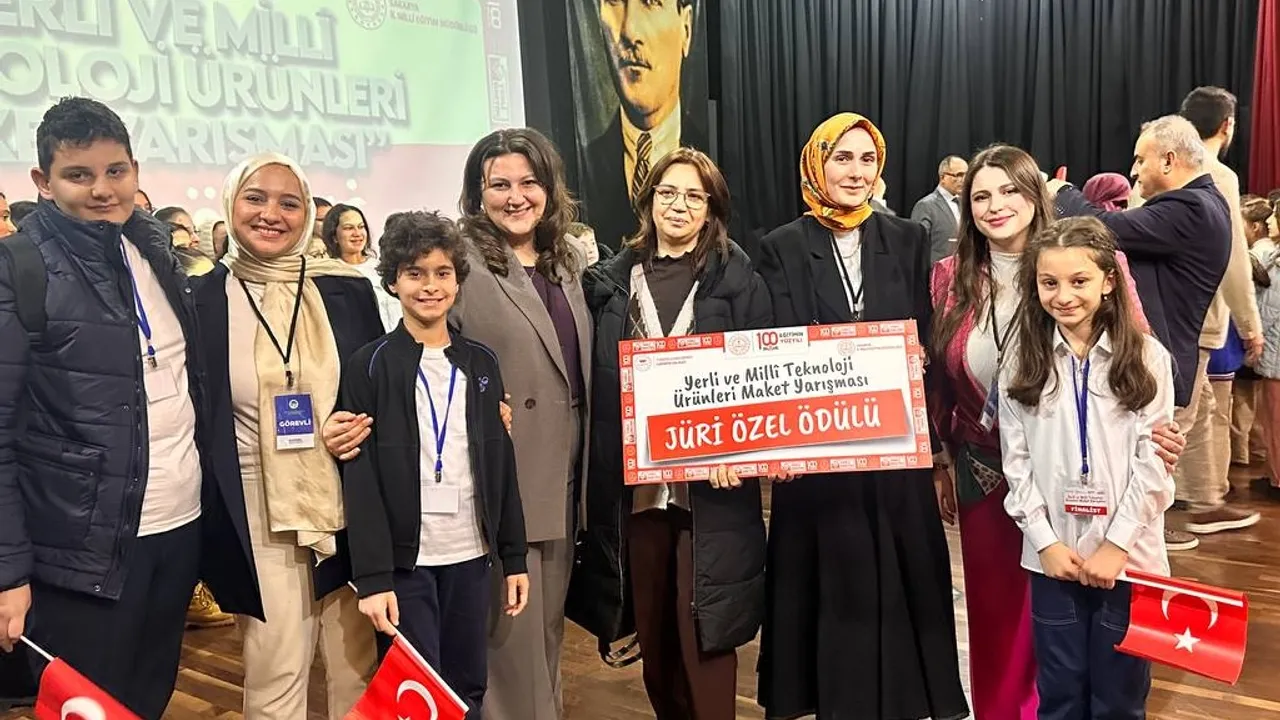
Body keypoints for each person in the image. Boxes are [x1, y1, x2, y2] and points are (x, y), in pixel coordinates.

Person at [928, 143, 1182, 720]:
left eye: (1010, 190)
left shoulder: (1086, 256)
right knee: (1001, 622)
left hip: (1092, 479)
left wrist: (1163, 434)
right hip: (990, 469)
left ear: (1035, 193)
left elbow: (1136, 362)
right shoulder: (948, 275)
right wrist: (941, 458)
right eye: (980, 196)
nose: (996, 205)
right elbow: (940, 374)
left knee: (1083, 634)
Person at [755, 112, 969, 720]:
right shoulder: (779, 246)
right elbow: (773, 347)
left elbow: (925, 332)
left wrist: (920, 365)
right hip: (817, 455)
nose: (855, 172)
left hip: (895, 447)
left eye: (867, 159)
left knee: (904, 571)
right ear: (816, 165)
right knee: (829, 576)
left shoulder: (906, 238)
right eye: (842, 158)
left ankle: (903, 699)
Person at [0, 97, 207, 719]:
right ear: (43, 181)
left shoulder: (154, 251)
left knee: (148, 700)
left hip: (178, 528)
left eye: (115, 171)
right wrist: (8, 572)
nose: (101, 189)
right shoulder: (20, 267)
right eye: (78, 175)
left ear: (135, 170)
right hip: (80, 553)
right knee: (88, 708)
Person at [573, 147, 770, 720]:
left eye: (693, 196)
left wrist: (742, 450)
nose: (678, 205)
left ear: (712, 208)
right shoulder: (611, 282)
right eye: (667, 193)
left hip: (711, 491)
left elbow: (762, 380)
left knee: (705, 633)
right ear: (649, 201)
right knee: (656, 635)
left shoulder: (738, 279)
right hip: (634, 489)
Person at [190, 152, 381, 719]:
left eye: (289, 202)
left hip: (346, 496)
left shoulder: (347, 291)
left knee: (357, 665)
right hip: (257, 506)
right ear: (231, 205)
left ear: (308, 215)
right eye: (255, 198)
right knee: (276, 667)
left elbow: (377, 389)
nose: (271, 213)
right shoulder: (200, 300)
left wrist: (356, 424)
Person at [341, 210, 530, 720]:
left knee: (467, 686)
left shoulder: (481, 363)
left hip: (470, 554)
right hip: (407, 564)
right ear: (393, 281)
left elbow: (500, 466)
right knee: (413, 691)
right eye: (415, 273)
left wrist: (513, 556)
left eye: (442, 272)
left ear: (457, 279)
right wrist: (373, 577)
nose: (430, 286)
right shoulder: (369, 365)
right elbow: (360, 478)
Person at [1000, 216, 1174, 719]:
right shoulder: (1021, 359)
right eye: (1049, 283)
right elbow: (1016, 463)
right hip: (1054, 559)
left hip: (1129, 559)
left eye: (1079, 281)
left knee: (1120, 696)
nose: (1063, 296)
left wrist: (1117, 544)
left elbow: (1154, 462)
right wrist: (1045, 542)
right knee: (1059, 693)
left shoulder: (1146, 358)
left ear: (1109, 282)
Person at [1051, 115, 1239, 551]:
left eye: (1140, 160)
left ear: (1169, 160)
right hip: (1165, 356)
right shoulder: (1202, 202)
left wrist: (1060, 192)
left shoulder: (1189, 208)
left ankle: (1127, 555)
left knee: (1142, 471)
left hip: (1158, 362)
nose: (1134, 171)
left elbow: (1103, 227)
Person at [452, 128, 591, 720]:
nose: (516, 197)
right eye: (499, 184)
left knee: (547, 636)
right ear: (477, 193)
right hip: (504, 475)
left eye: (529, 182)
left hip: (565, 473)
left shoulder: (567, 262)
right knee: (510, 646)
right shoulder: (459, 263)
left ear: (549, 187)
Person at [583, 0, 709, 250]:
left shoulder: (718, 161)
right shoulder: (578, 168)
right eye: (614, 2)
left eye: (651, 3)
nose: (630, 31)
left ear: (685, 28)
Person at [323, 202, 402, 330]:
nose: (357, 233)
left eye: (361, 227)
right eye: (349, 228)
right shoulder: (330, 273)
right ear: (334, 236)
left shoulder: (382, 267)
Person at [911, 154, 968, 263]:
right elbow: (916, 246)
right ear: (943, 177)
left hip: (964, 268)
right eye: (959, 175)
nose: (964, 180)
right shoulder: (926, 206)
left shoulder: (965, 204)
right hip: (936, 270)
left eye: (966, 175)